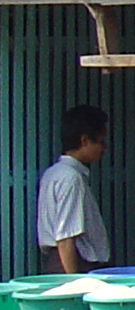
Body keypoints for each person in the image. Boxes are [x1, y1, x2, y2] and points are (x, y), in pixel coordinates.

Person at [36, 104, 110, 273]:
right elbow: (65, 238)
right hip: (71, 263)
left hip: (57, 262)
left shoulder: (53, 173)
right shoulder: (71, 178)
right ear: (84, 141)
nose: (103, 148)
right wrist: (73, 282)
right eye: (100, 141)